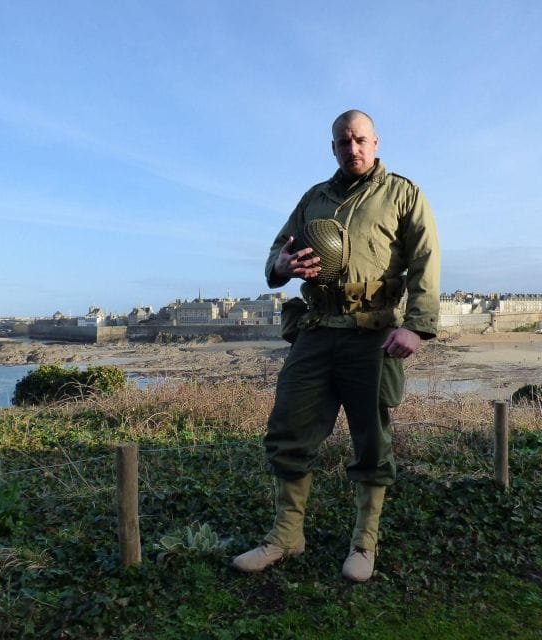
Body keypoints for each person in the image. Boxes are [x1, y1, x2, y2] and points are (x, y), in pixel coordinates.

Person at [232, 110, 440, 582]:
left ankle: (364, 544)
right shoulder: (314, 198)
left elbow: (427, 260)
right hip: (316, 329)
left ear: (376, 141)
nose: (353, 149)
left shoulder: (402, 194)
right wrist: (282, 266)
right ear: (333, 148)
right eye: (344, 142)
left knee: (371, 438)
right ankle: (286, 536)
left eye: (360, 140)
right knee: (289, 427)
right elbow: (274, 255)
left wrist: (418, 327)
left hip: (373, 335)